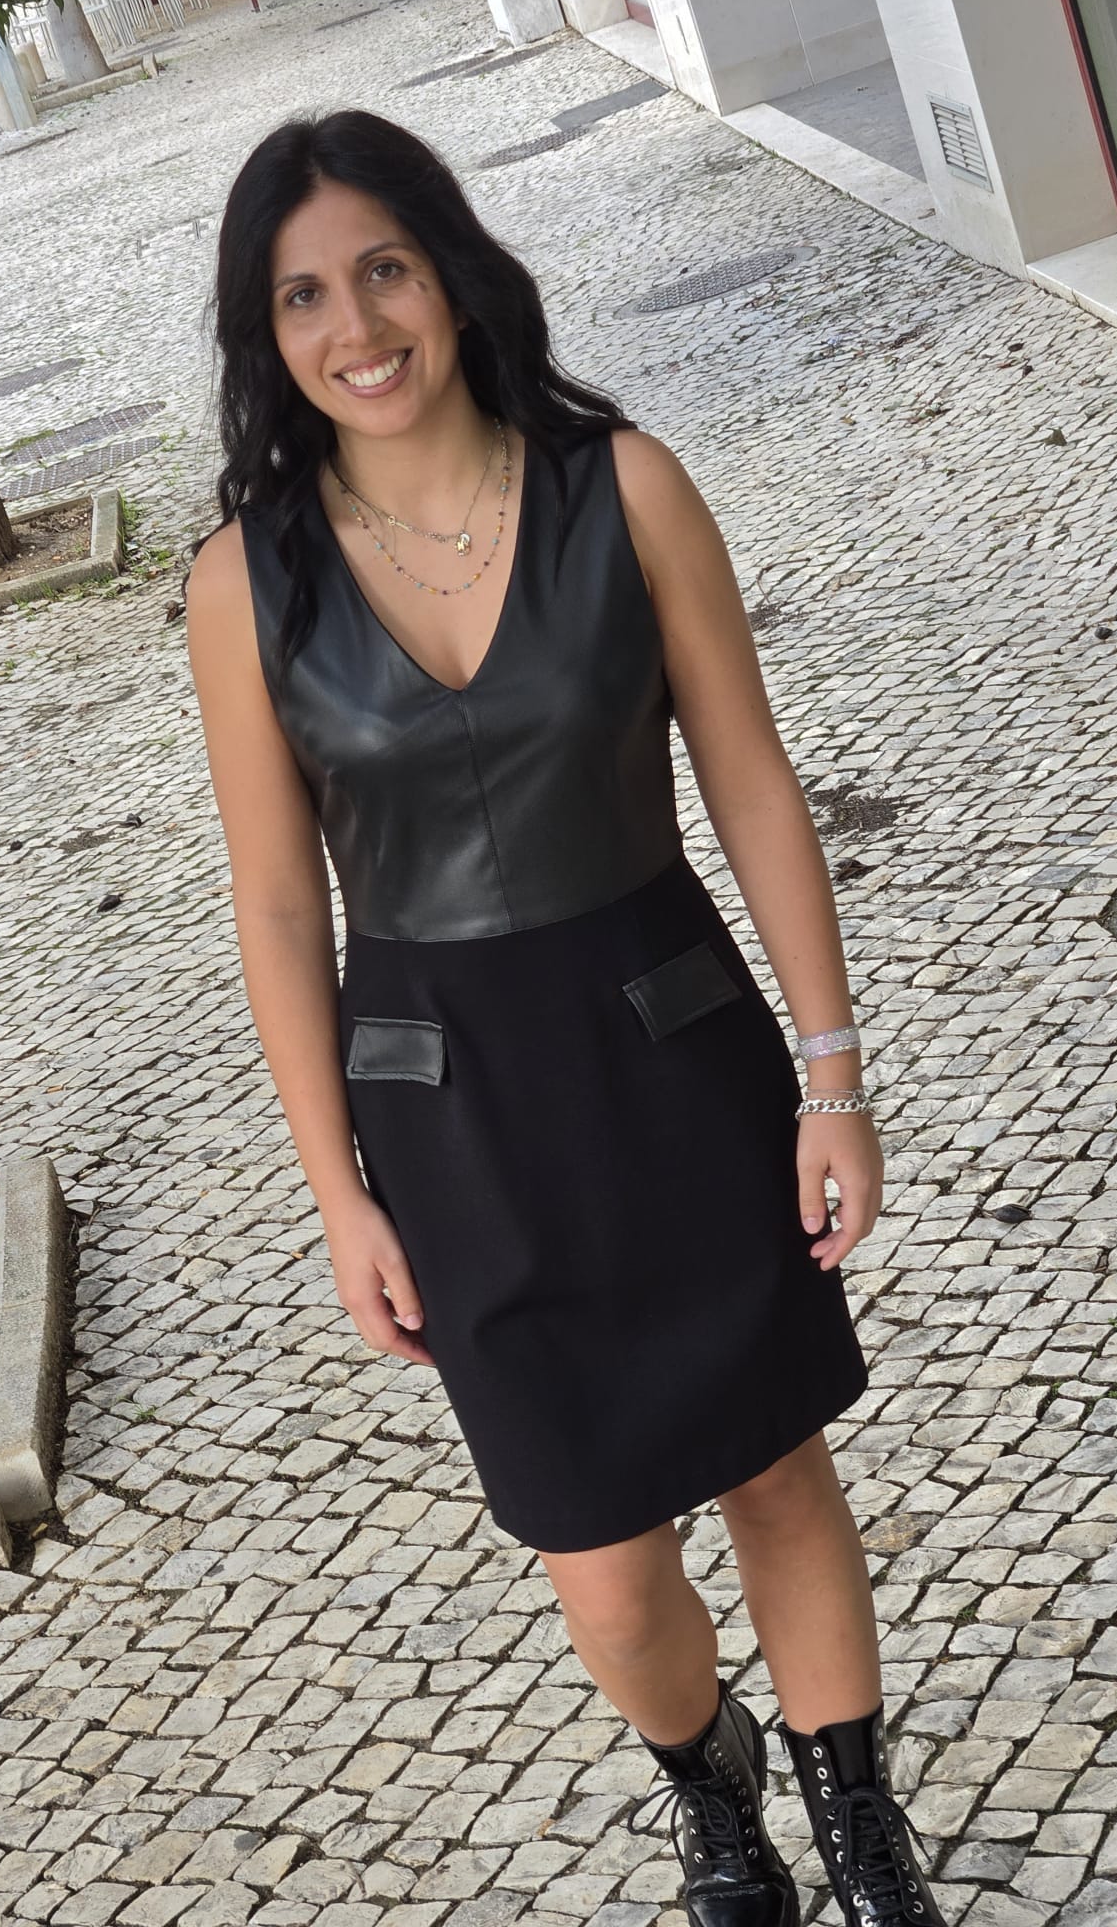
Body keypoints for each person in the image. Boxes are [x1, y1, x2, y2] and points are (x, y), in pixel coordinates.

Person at [184, 107, 946, 1927]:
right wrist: (339, 1193)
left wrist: (833, 1079)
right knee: (601, 1565)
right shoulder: (244, 582)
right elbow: (279, 907)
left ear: (451, 275)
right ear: (266, 335)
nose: (357, 325)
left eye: (384, 269)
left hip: (670, 1053)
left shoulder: (625, 486)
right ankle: (711, 1784)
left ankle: (861, 1833)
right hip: (453, 1120)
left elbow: (751, 783)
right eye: (304, 295)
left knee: (777, 1474)